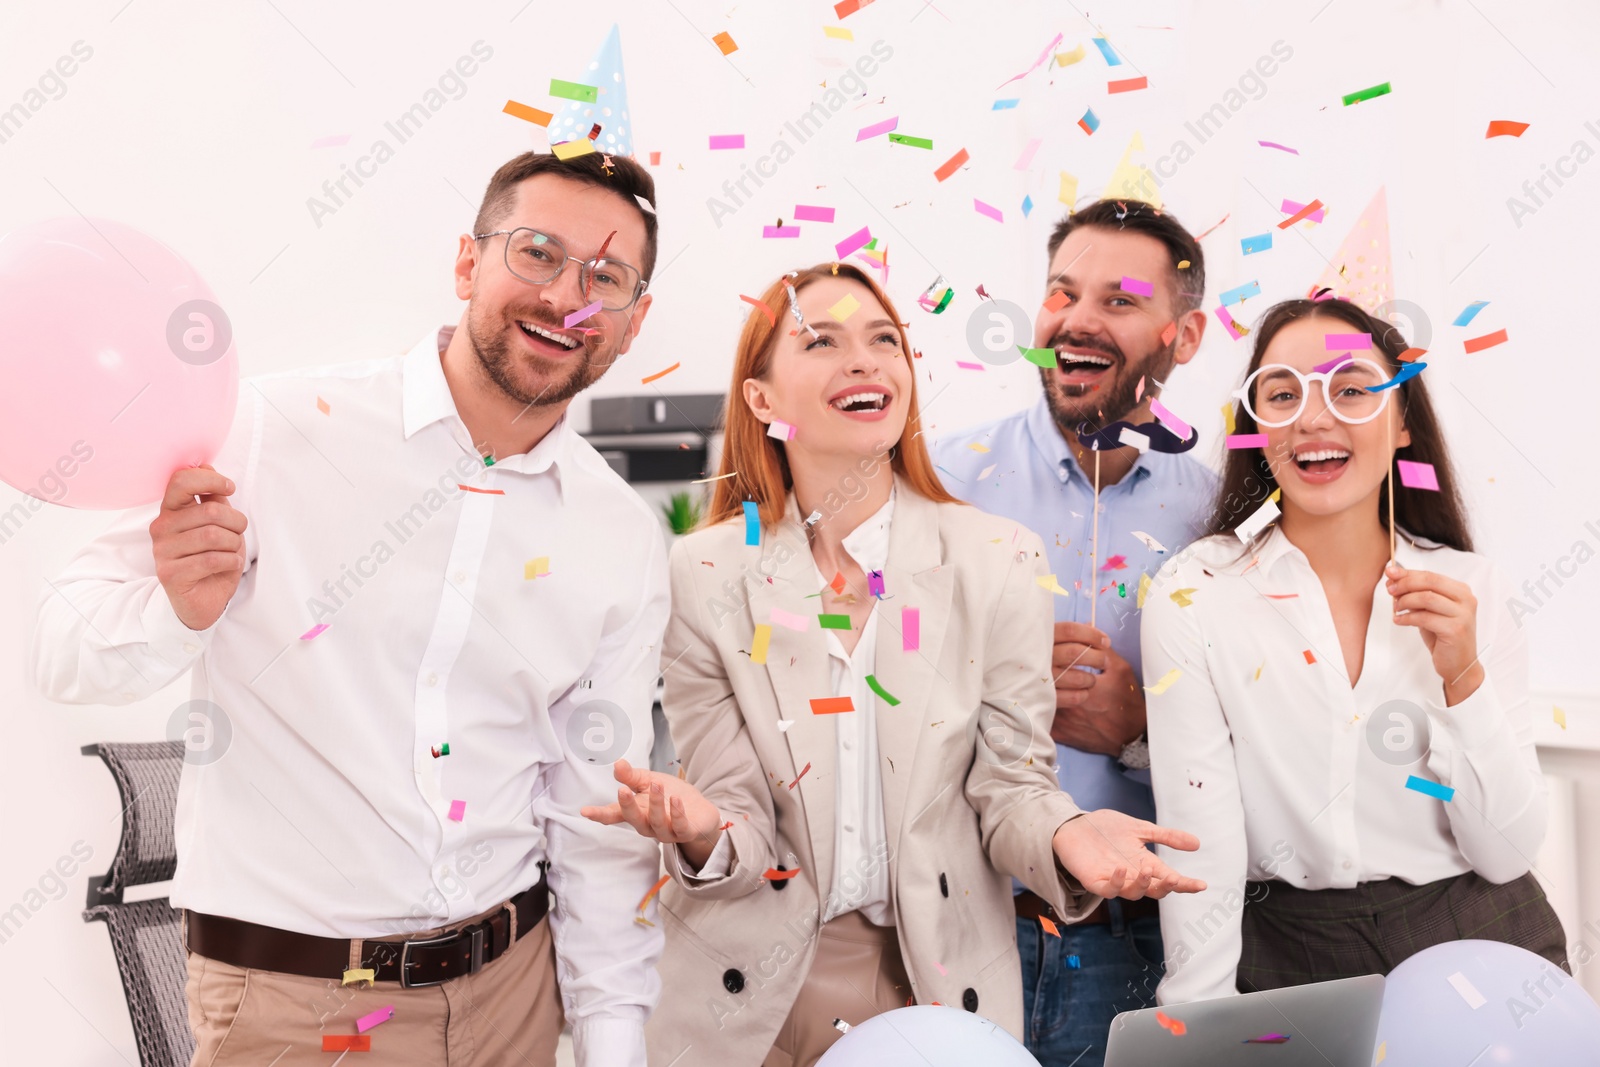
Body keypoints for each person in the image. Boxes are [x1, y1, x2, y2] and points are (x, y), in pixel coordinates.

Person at [31, 150, 671, 1067]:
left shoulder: (619, 534)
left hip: (513, 1004)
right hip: (296, 1012)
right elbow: (61, 644)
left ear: (634, 320)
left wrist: (613, 1043)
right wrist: (177, 611)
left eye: (604, 277)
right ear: (467, 262)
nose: (568, 298)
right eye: (536, 252)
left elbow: (591, 814)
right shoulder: (272, 434)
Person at [581, 262, 1206, 1067]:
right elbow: (739, 805)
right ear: (763, 401)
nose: (867, 361)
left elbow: (1011, 785)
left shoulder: (997, 557)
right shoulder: (704, 574)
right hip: (747, 997)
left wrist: (1069, 835)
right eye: (823, 341)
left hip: (932, 990)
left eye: (885, 340)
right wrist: (700, 830)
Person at [1142, 298, 1568, 1006]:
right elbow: (1204, 843)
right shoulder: (1197, 589)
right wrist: (1193, 1025)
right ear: (1258, 429)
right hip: (1288, 948)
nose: (1313, 418)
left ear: (1403, 422)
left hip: (1476, 932)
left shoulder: (1472, 587)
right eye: (1282, 394)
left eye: (1350, 389)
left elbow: (1506, 852)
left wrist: (1462, 675)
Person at [932, 199, 1214, 1065]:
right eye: (1062, 292)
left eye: (1120, 300)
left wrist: (1136, 732)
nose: (1078, 319)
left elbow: (1260, 752)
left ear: (1184, 335)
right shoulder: (942, 482)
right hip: (963, 927)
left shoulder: (1218, 516)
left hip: (1139, 942)